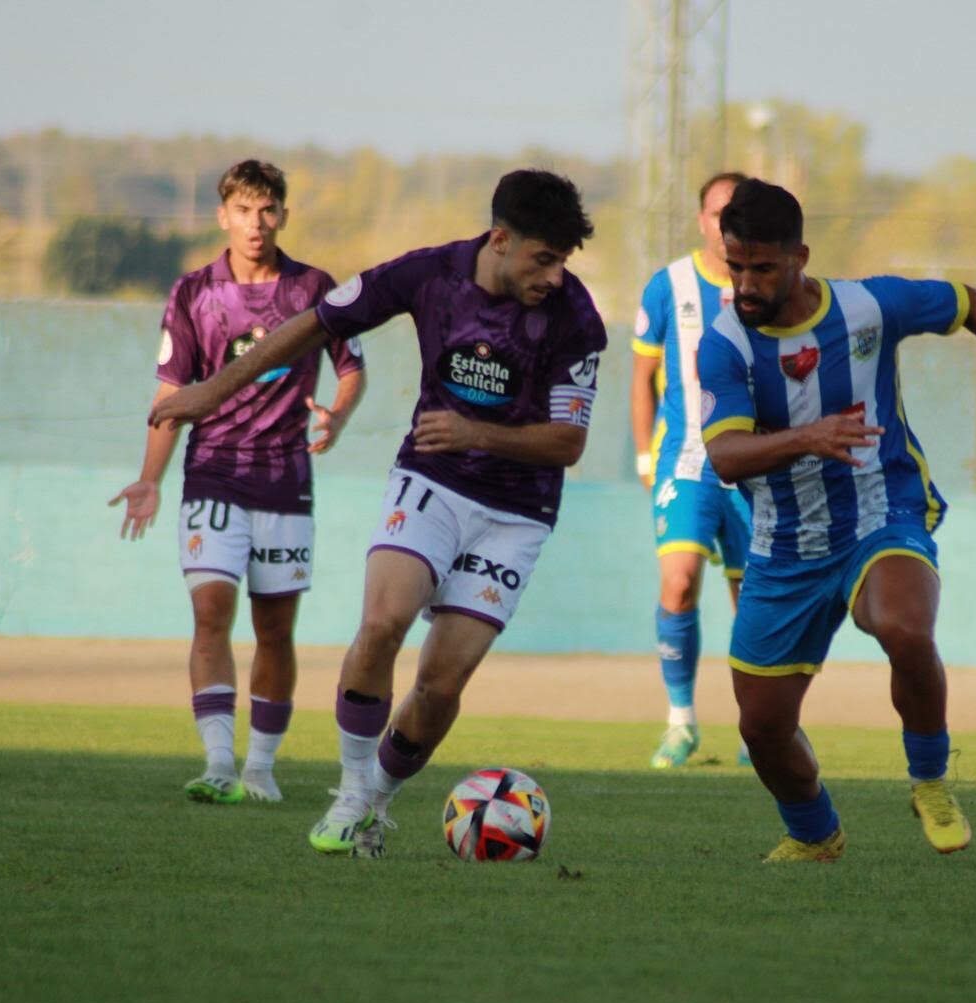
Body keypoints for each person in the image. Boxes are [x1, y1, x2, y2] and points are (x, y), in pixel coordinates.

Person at [150, 169, 606, 857]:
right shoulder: (429, 276)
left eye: (563, 261)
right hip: (431, 481)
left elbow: (569, 443)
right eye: (543, 259)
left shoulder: (576, 320)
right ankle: (352, 789)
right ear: (501, 239)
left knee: (439, 684)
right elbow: (312, 325)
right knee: (383, 622)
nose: (553, 276)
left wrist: (477, 433)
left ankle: (376, 803)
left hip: (517, 514)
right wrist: (211, 392)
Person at [697, 179, 976, 862]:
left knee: (903, 625)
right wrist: (808, 437)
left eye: (763, 268)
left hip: (883, 510)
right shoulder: (726, 342)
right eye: (736, 267)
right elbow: (726, 456)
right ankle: (816, 833)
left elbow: (969, 303)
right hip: (785, 545)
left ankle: (930, 780)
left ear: (800, 257)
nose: (747, 283)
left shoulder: (869, 307)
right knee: (762, 728)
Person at [110, 159, 364, 805]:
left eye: (269, 210)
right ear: (223, 216)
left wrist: (337, 413)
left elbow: (352, 366)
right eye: (245, 211)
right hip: (213, 474)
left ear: (283, 214)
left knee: (276, 630)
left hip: (285, 484)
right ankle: (220, 762)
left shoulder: (314, 289)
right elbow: (173, 392)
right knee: (211, 614)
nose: (258, 223)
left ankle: (261, 766)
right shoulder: (194, 292)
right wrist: (149, 478)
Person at [630, 171, 755, 769]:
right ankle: (680, 723)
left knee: (755, 601)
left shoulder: (772, 282)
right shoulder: (669, 285)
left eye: (737, 212)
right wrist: (644, 457)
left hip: (758, 464)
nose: (725, 223)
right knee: (678, 583)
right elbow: (640, 377)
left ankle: (760, 728)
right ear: (702, 219)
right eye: (716, 212)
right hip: (687, 460)